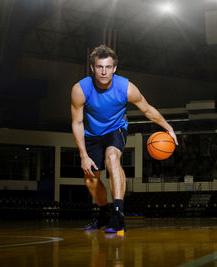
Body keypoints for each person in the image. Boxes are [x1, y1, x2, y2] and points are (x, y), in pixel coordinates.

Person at [71, 44, 178, 233]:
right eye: (100, 67)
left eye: (108, 67)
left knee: (113, 158)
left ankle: (118, 215)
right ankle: (104, 213)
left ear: (114, 68)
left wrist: (168, 128)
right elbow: (77, 123)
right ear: (92, 68)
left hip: (115, 128)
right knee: (90, 179)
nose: (104, 72)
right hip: (91, 134)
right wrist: (83, 155)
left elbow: (147, 109)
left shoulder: (126, 88)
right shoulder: (80, 90)